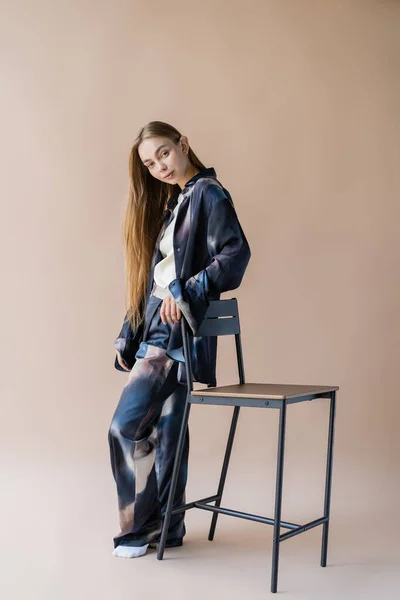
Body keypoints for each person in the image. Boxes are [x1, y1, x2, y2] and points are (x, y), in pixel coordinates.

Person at [108, 120, 251, 559]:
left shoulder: (208, 192)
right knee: (168, 433)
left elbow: (236, 254)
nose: (160, 167)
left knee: (125, 429)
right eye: (150, 163)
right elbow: (157, 278)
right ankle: (168, 529)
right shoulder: (178, 202)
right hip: (159, 329)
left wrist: (187, 291)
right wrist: (128, 333)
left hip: (175, 333)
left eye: (164, 154)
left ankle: (137, 532)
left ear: (183, 144)